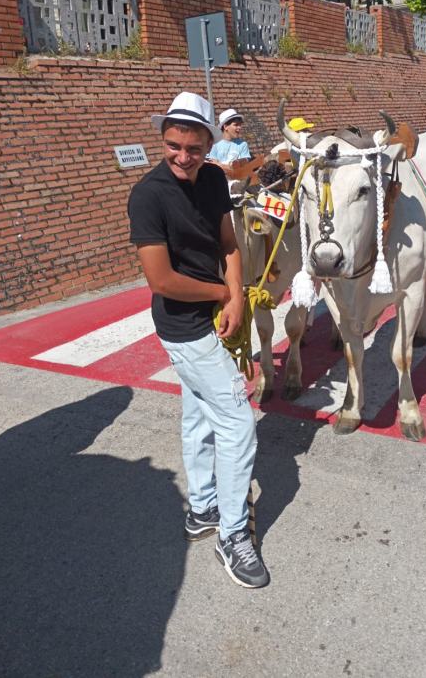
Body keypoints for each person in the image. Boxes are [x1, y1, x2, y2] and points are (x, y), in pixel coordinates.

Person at [127, 91, 269, 589]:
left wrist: (234, 299)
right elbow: (161, 280)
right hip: (185, 326)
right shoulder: (147, 196)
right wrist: (221, 296)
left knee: (197, 414)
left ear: (209, 144)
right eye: (173, 146)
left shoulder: (211, 178)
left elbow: (228, 243)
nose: (183, 157)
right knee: (236, 422)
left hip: (213, 313)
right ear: (162, 140)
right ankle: (233, 536)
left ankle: (204, 508)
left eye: (193, 147)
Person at [208, 108, 251, 178]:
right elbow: (213, 166)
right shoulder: (214, 144)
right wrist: (232, 167)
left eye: (240, 125)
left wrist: (221, 165)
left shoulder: (243, 144)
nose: (239, 127)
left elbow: (244, 165)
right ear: (225, 127)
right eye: (236, 125)